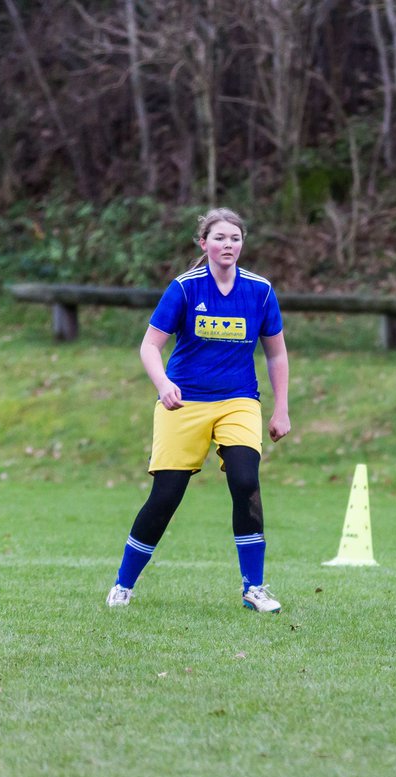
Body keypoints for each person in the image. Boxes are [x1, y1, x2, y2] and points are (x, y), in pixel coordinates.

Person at [105, 208, 291, 612]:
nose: (229, 245)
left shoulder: (259, 290)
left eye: (236, 238)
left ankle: (254, 589)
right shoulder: (186, 289)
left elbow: (276, 354)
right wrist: (164, 384)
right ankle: (123, 584)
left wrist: (282, 409)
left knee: (245, 482)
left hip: (238, 401)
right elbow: (149, 345)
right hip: (184, 401)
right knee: (166, 497)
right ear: (203, 243)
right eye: (220, 238)